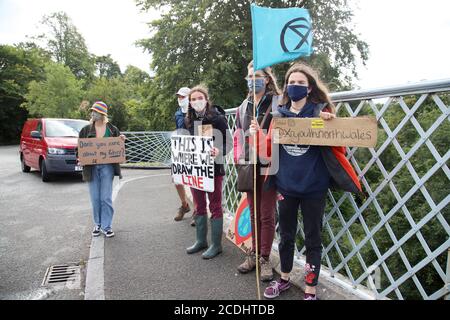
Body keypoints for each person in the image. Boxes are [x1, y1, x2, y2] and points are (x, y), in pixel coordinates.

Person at [250, 63, 362, 300]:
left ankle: (310, 288)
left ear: (310, 88)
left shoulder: (320, 113)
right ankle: (284, 279)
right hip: (286, 186)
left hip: (314, 187)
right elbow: (268, 150)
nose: (295, 86)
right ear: (286, 87)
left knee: (313, 237)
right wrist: (257, 135)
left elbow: (339, 148)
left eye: (301, 83)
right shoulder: (279, 116)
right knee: (287, 236)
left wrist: (331, 124)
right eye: (291, 83)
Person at [234, 61, 281, 282]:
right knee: (253, 213)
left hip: (271, 163)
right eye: (250, 76)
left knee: (266, 213)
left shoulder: (278, 103)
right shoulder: (243, 106)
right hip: (249, 163)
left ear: (268, 79)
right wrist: (238, 157)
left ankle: (265, 257)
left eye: (258, 76)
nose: (253, 80)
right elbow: (237, 134)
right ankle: (254, 253)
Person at [185, 85, 232, 259]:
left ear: (206, 99)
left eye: (200, 98)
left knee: (215, 205)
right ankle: (201, 240)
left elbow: (229, 142)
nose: (197, 101)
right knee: (198, 205)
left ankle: (216, 245)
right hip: (195, 169)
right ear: (189, 103)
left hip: (214, 168)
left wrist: (219, 151)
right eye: (193, 99)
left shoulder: (218, 119)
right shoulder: (188, 120)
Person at [79, 101, 126, 238]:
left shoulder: (112, 129)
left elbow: (119, 146)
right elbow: (80, 148)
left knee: (105, 198)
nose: (93, 113)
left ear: (102, 114)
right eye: (92, 111)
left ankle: (107, 226)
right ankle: (98, 224)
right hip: (91, 167)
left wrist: (122, 139)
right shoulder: (86, 130)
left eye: (95, 111)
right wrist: (80, 158)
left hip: (107, 167)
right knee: (95, 198)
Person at [173, 87, 195, 225]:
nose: (180, 99)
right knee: (176, 179)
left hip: (195, 148)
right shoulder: (177, 113)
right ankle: (184, 205)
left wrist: (189, 114)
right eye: (179, 97)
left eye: (183, 97)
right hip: (181, 148)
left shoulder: (196, 111)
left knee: (195, 180)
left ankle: (197, 211)